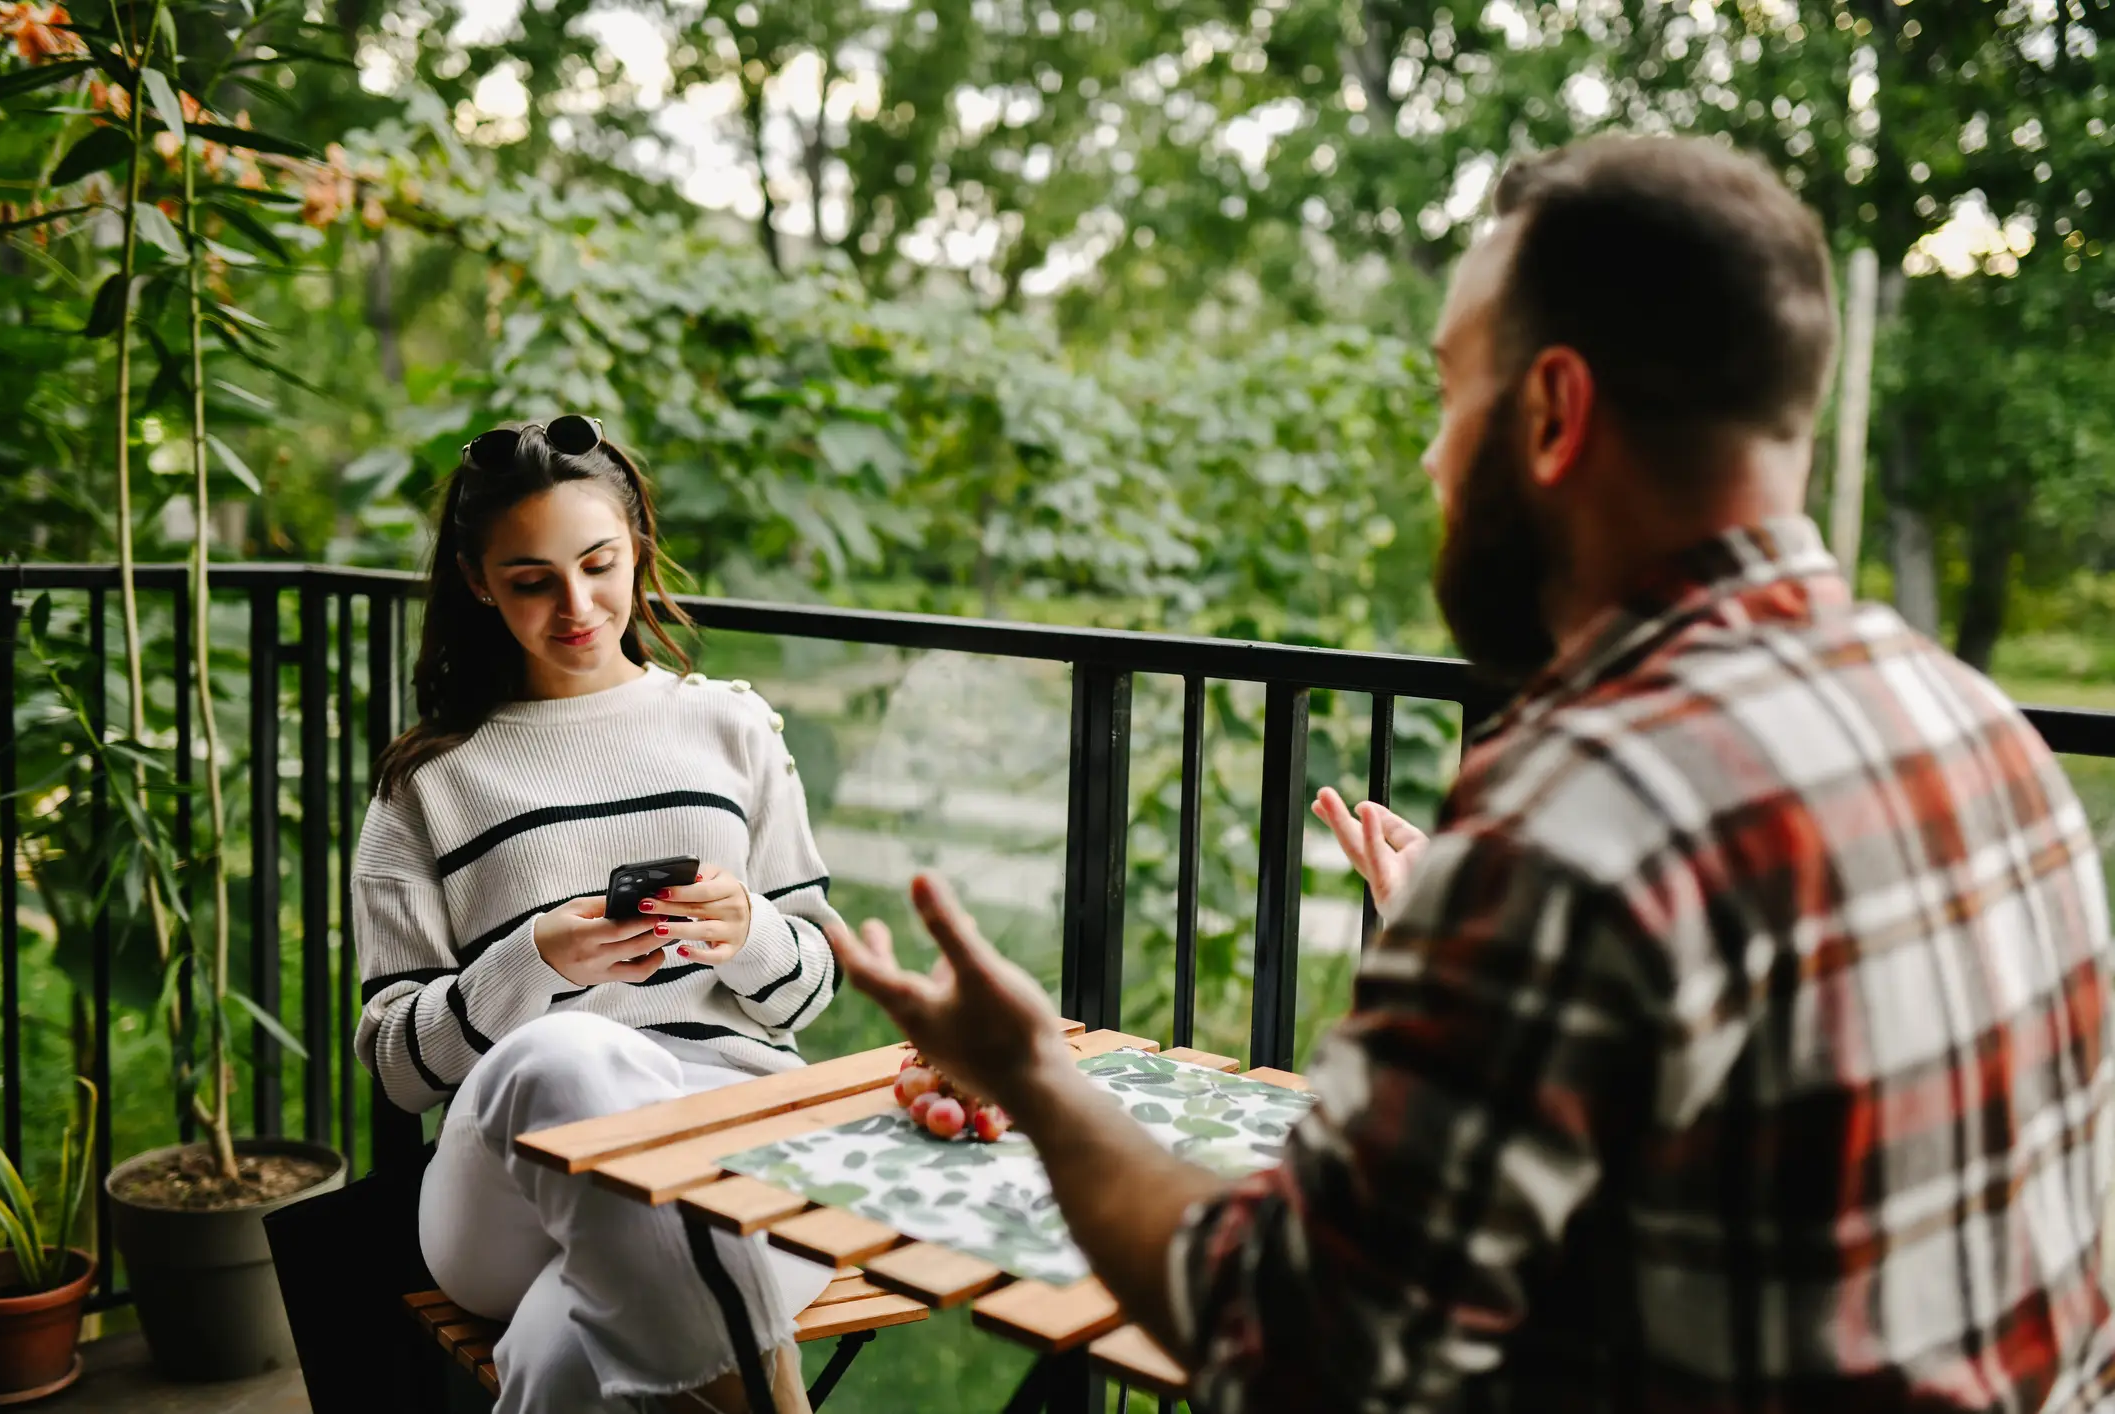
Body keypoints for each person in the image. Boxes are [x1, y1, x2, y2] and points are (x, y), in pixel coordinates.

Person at [825, 136, 2115, 1411]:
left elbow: (1293, 1339)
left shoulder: (1589, 808)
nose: (1432, 462)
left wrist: (1036, 1074)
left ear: (1552, 413)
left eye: (1451, 395)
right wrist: (1485, 956)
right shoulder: (1979, 728)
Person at [353, 416, 838, 1414]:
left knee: (566, 1355)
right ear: (479, 582)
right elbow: (397, 1065)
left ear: (638, 548)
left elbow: (812, 984)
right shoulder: (429, 782)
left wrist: (745, 930)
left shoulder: (731, 724)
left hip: (736, 1140)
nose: (576, 606)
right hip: (509, 1184)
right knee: (570, 1055)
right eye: (531, 580)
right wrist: (536, 960)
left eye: (599, 564)